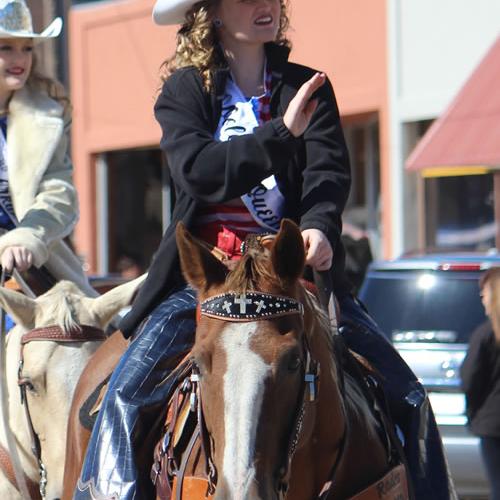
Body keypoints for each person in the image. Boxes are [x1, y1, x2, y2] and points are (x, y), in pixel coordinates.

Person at [75, 0, 452, 498]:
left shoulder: (307, 86)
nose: (265, 5)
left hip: (289, 276)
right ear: (210, 12)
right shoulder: (184, 91)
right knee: (122, 396)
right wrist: (281, 134)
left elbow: (328, 173)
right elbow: (200, 171)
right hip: (209, 278)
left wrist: (318, 227)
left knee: (409, 395)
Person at [0, 0, 94, 297]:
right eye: (6, 47)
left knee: (97, 333)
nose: (21, 58)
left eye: (27, 48)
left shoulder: (47, 115)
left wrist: (28, 237)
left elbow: (60, 193)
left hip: (34, 264)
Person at [460, 268, 500, 500]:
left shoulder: (484, 334)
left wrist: (473, 413)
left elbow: (470, 379)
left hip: (492, 426)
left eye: (484, 293)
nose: (482, 299)